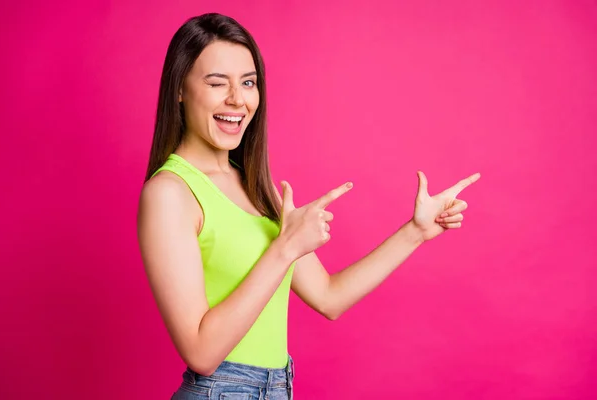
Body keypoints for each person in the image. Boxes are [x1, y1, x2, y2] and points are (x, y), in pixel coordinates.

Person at [137, 12, 481, 400]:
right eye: (218, 83)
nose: (237, 99)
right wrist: (284, 249)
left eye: (248, 83)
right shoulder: (170, 193)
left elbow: (329, 297)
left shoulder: (255, 185)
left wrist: (415, 232)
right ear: (180, 89)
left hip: (278, 388)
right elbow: (200, 352)